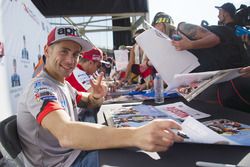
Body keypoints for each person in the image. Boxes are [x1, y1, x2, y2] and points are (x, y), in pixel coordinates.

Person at [17, 25, 183, 167]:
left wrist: (96, 96)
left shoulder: (62, 84)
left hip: (74, 155)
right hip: (64, 163)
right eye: (64, 52)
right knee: (141, 158)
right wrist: (135, 135)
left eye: (75, 55)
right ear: (47, 50)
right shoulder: (40, 88)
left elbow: (88, 102)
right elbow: (66, 134)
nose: (70, 60)